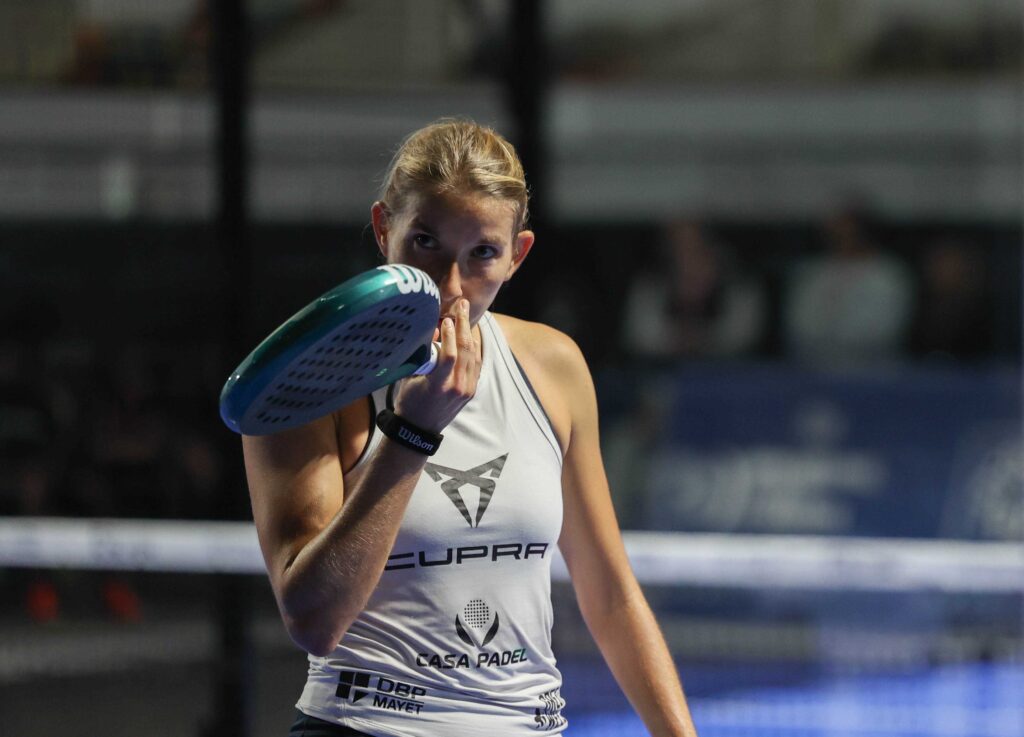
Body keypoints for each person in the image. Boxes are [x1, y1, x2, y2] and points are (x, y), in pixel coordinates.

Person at [242, 119, 698, 736]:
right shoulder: (312, 376)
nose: (450, 284)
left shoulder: (554, 366)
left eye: (482, 252)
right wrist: (412, 433)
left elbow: (611, 595)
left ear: (517, 255)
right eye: (425, 242)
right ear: (383, 229)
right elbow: (313, 622)